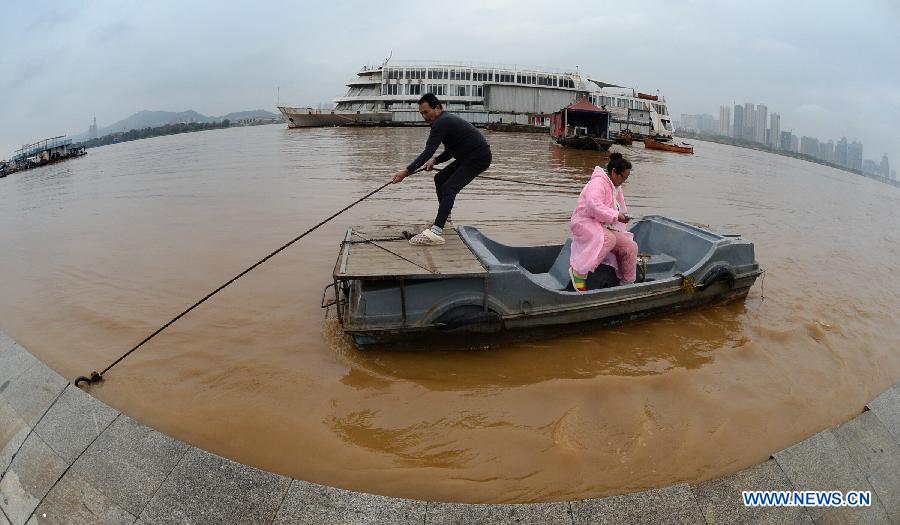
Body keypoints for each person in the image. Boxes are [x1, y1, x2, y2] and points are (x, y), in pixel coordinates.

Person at [391, 93, 492, 246]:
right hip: (468, 156)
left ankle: (436, 232)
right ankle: (445, 218)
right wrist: (435, 160)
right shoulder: (445, 121)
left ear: (437, 108)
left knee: (449, 187)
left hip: (478, 157)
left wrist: (406, 172)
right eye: (421, 113)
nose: (424, 117)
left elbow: (427, 151)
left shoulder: (441, 122)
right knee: (440, 179)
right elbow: (450, 151)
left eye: (426, 112)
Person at [568, 152, 638, 291]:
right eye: (624, 177)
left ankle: (627, 284)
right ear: (614, 172)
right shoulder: (598, 183)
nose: (624, 181)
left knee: (630, 247)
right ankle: (579, 272)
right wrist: (616, 216)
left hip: (601, 223)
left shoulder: (616, 187)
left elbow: (620, 207)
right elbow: (594, 206)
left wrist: (622, 216)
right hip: (584, 221)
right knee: (608, 239)